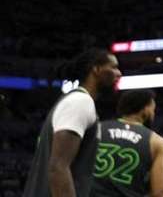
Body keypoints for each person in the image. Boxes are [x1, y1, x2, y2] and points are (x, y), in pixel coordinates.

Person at [24, 49, 122, 197]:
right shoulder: (80, 102)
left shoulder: (76, 101)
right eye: (113, 67)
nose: (119, 73)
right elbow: (58, 168)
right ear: (96, 69)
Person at [90, 90, 163, 197]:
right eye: (153, 109)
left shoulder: (96, 129)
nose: (153, 114)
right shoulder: (156, 142)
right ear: (146, 110)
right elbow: (160, 193)